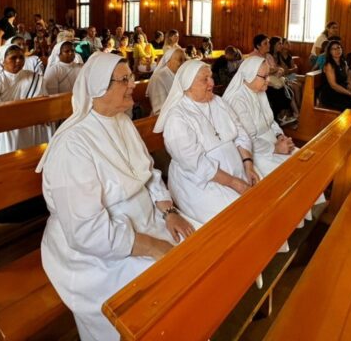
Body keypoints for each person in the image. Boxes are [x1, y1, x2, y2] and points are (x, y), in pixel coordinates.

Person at [36, 53, 195, 341]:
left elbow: (147, 173)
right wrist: (154, 247)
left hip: (144, 220)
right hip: (93, 251)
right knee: (161, 287)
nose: (133, 84)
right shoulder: (73, 146)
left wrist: (169, 212)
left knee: (195, 247)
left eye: (130, 77)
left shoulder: (121, 121)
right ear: (99, 88)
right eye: (125, 79)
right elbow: (87, 233)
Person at [155, 60, 257, 223]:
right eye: (205, 79)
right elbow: (196, 164)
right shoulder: (177, 117)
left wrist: (248, 164)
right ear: (188, 85)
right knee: (240, 218)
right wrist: (235, 183)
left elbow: (240, 132)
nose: (212, 83)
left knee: (261, 201)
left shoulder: (218, 102)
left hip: (236, 174)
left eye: (211, 77)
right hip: (199, 182)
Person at [222, 57, 297, 177]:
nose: (268, 80)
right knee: (290, 174)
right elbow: (247, 139)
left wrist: (279, 135)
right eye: (264, 76)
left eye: (269, 75)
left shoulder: (260, 89)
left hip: (274, 142)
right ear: (249, 75)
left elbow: (271, 121)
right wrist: (274, 148)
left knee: (302, 161)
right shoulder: (237, 100)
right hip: (255, 152)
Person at [0, 43, 48, 156]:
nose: (19, 61)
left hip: (30, 120)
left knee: (43, 125)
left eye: (21, 57)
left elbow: (42, 103)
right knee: (8, 131)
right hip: (3, 122)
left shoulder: (33, 77)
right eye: (13, 58)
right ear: (2, 60)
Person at [146, 47, 186, 115]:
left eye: (185, 60)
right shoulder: (158, 78)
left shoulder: (182, 75)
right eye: (180, 60)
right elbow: (159, 110)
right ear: (168, 61)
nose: (183, 63)